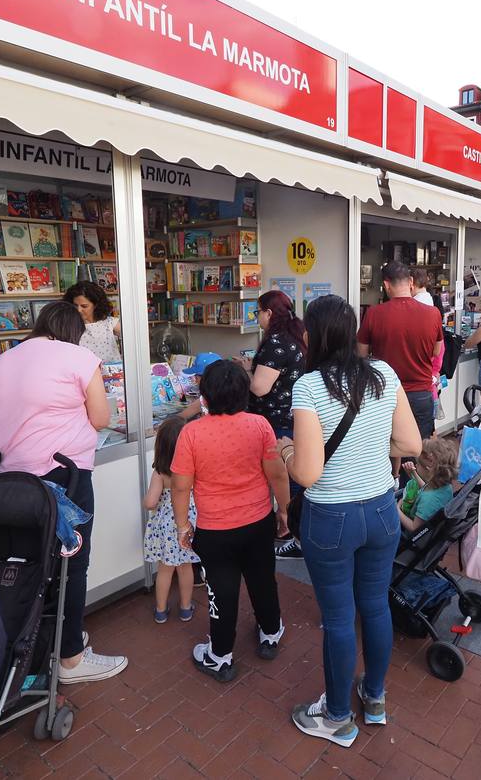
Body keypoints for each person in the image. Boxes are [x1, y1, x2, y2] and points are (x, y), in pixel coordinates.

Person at [281, 295, 422, 745]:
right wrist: (371, 446)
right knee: (375, 605)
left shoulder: (308, 386)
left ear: (314, 335)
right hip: (382, 511)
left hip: (332, 518)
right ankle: (374, 698)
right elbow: (412, 443)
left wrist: (284, 451)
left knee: (340, 619)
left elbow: (307, 473)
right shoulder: (384, 373)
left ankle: (338, 717)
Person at [0, 301, 127, 683]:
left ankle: (46, 643)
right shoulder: (79, 357)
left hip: (10, 483)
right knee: (71, 566)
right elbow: (101, 418)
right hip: (64, 479)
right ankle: (71, 659)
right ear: (75, 331)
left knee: (27, 566)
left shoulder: (0, 362)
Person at [171, 360, 290, 682]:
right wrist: (283, 509)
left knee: (220, 591)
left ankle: (220, 656)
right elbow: (277, 472)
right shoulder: (260, 425)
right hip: (258, 521)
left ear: (205, 395)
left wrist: (183, 525)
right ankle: (269, 633)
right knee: (263, 578)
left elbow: (180, 485)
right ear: (244, 394)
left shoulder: (191, 433)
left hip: (214, 530)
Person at [241, 289, 308, 558]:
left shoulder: (276, 342)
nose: (257, 317)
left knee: (285, 477)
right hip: (292, 416)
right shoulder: (296, 336)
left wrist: (244, 373)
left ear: (269, 313)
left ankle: (292, 533)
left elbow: (259, 388)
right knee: (292, 476)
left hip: (275, 419)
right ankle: (295, 530)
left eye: (258, 312)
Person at [357, 261, 443, 439]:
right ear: (411, 281)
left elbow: (361, 354)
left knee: (388, 447)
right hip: (421, 393)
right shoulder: (433, 313)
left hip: (386, 392)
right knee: (421, 449)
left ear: (386, 285)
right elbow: (436, 351)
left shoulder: (373, 313)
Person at [142, 416, 199, 624]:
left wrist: (155, 504)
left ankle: (160, 610)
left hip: (166, 526)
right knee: (185, 567)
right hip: (187, 524)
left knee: (164, 569)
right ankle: (185, 608)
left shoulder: (160, 472)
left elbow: (149, 502)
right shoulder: (193, 469)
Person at [397, 436, 459, 533]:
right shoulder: (445, 486)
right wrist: (413, 474)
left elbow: (414, 527)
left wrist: (396, 509)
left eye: (418, 464)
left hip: (411, 535)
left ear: (429, 469)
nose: (416, 466)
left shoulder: (427, 500)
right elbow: (426, 488)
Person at [65, 281, 123, 364]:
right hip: (84, 374)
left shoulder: (108, 323)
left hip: (112, 374)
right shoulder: (68, 326)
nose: (78, 310)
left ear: (96, 305)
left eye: (84, 306)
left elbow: (132, 338)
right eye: (75, 305)